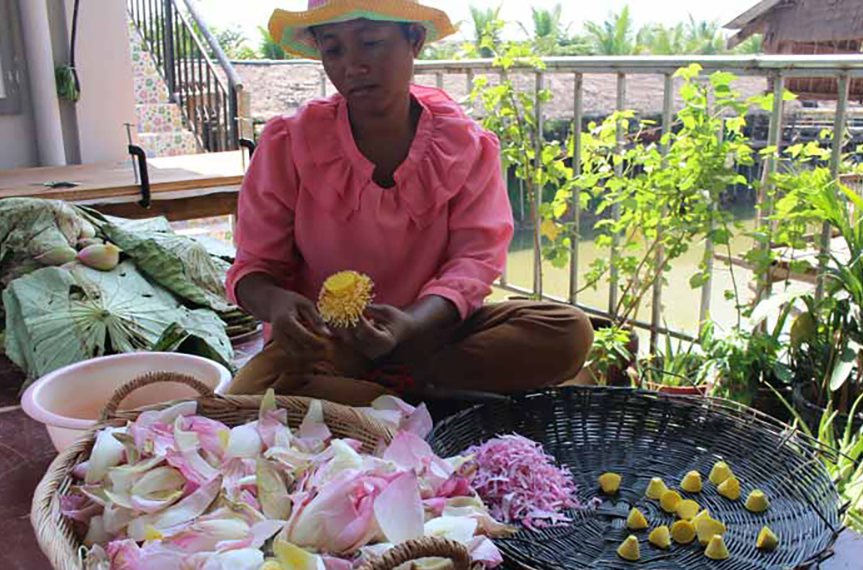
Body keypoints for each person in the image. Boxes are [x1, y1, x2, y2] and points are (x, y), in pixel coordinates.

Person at [225, 0, 593, 405]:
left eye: (370, 42)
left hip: (428, 335)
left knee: (567, 331)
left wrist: (411, 324)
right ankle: (420, 401)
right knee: (249, 393)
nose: (353, 65)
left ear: (413, 39)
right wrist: (276, 303)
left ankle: (383, 399)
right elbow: (254, 268)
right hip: (328, 344)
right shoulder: (288, 143)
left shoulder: (466, 145)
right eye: (334, 49)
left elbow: (474, 263)